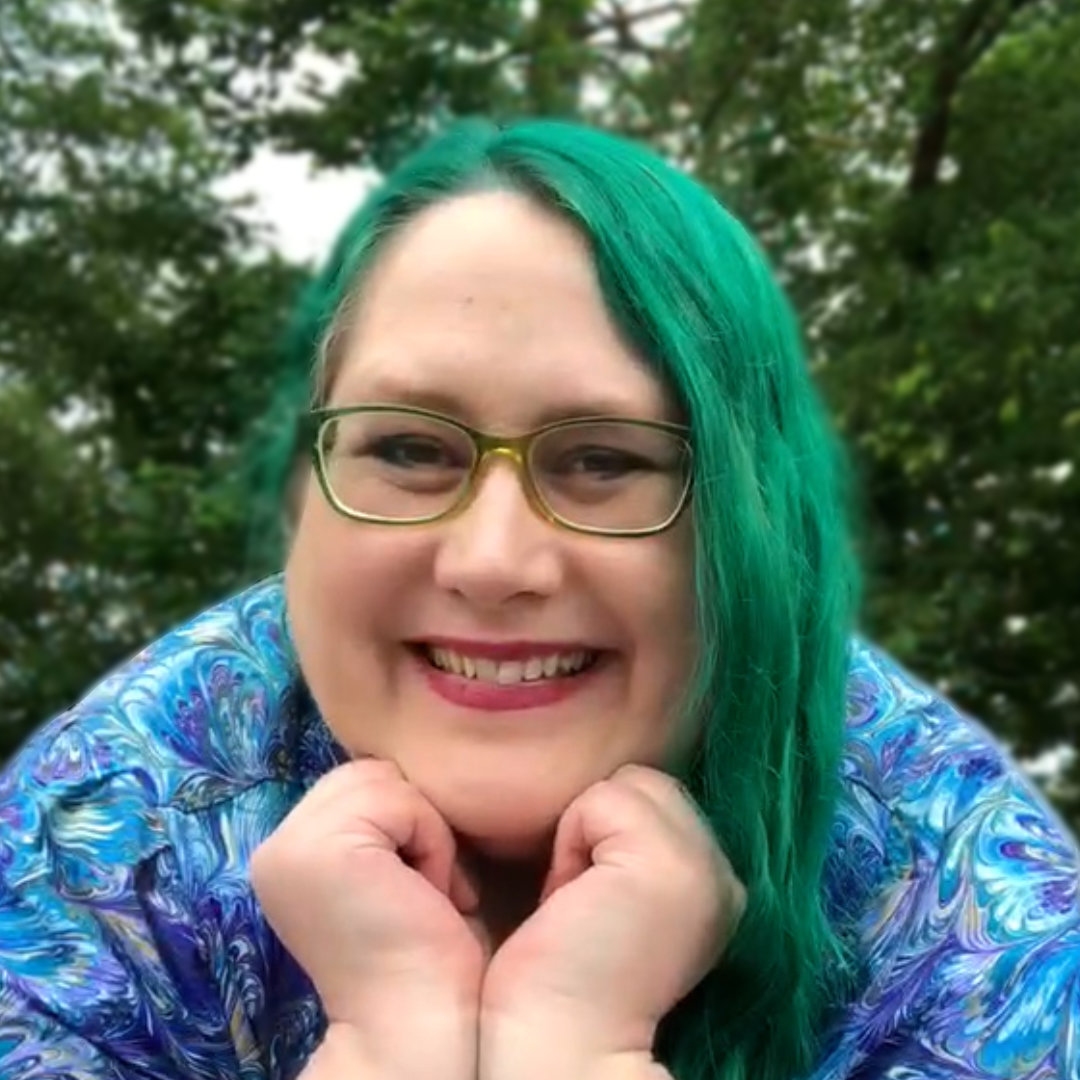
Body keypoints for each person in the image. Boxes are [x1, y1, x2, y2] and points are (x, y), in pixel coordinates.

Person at [0, 118, 1077, 1080]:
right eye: (408, 449)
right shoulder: (101, 842)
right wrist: (387, 1048)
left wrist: (577, 1050)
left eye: (605, 459)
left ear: (757, 521)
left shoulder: (979, 921)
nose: (492, 560)